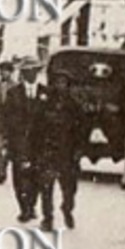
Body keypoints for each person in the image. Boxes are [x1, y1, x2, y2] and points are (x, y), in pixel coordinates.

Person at [32, 70, 83, 232]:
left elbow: (82, 130)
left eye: (64, 83)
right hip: (48, 151)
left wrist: (79, 149)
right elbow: (36, 128)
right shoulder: (44, 104)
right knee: (46, 187)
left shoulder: (74, 106)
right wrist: (35, 149)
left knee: (69, 188)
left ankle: (67, 209)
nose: (61, 86)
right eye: (58, 83)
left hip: (67, 152)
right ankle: (48, 218)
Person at [0, 60, 45, 222]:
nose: (30, 74)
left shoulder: (46, 93)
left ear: (37, 73)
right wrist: (5, 140)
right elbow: (6, 117)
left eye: (33, 71)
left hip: (39, 142)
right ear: (22, 74)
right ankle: (24, 208)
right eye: (26, 72)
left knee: (37, 176)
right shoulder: (13, 93)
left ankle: (31, 204)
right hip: (18, 142)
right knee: (18, 176)